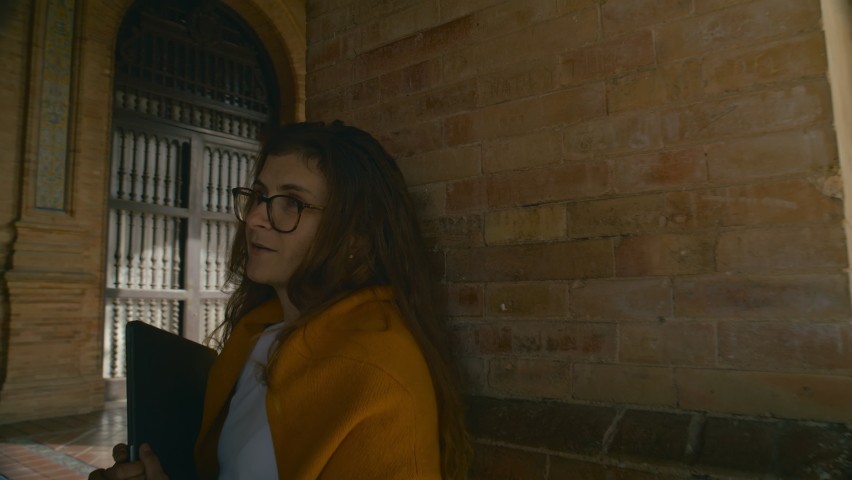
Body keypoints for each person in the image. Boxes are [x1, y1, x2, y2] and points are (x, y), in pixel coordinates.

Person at [90, 121, 473, 480]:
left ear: (357, 233)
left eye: (292, 202)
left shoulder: (376, 369)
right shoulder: (257, 332)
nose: (256, 216)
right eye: (259, 196)